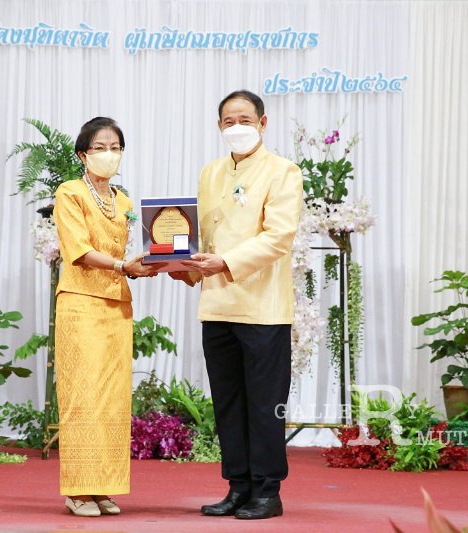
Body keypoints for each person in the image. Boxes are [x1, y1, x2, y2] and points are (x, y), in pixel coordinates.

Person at [171, 90, 303, 520]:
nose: (237, 127)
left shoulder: (283, 171)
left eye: (245, 119)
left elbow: (278, 237)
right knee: (228, 401)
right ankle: (238, 486)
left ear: (263, 123)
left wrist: (226, 263)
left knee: (264, 404)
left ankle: (267, 491)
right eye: (229, 121)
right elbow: (204, 238)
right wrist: (183, 266)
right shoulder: (210, 172)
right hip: (216, 304)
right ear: (219, 126)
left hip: (262, 307)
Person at [53, 117, 159, 517]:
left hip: (117, 303)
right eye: (100, 147)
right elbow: (77, 250)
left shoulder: (124, 202)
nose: (109, 154)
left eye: (115, 147)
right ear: (83, 154)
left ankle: (102, 487)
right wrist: (121, 266)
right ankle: (78, 490)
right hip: (81, 301)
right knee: (83, 397)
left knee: (112, 399)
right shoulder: (70, 192)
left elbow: (136, 251)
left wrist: (164, 261)